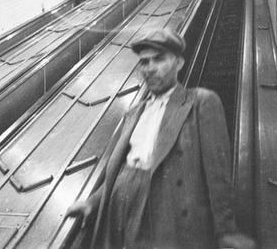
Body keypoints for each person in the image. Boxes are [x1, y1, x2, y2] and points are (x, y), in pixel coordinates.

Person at [66, 29, 256, 249]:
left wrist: (226, 231)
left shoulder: (200, 102)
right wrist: (93, 202)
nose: (150, 68)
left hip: (166, 210)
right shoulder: (134, 112)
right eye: (144, 62)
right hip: (121, 212)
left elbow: (218, 175)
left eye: (159, 59)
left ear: (179, 63)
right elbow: (117, 170)